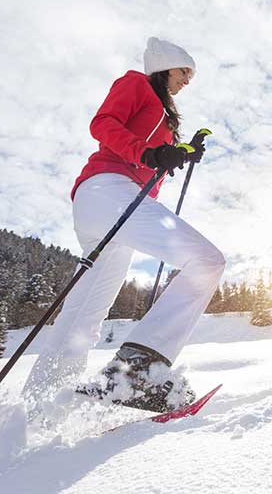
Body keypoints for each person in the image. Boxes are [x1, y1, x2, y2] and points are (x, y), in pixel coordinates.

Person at [23, 37, 226, 413]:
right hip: (108, 190)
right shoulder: (135, 83)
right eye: (184, 71)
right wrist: (149, 152)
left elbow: (151, 154)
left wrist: (180, 152)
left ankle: (40, 410)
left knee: (85, 314)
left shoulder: (164, 115)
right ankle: (139, 369)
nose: (187, 81)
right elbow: (104, 124)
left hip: (108, 202)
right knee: (207, 260)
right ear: (165, 66)